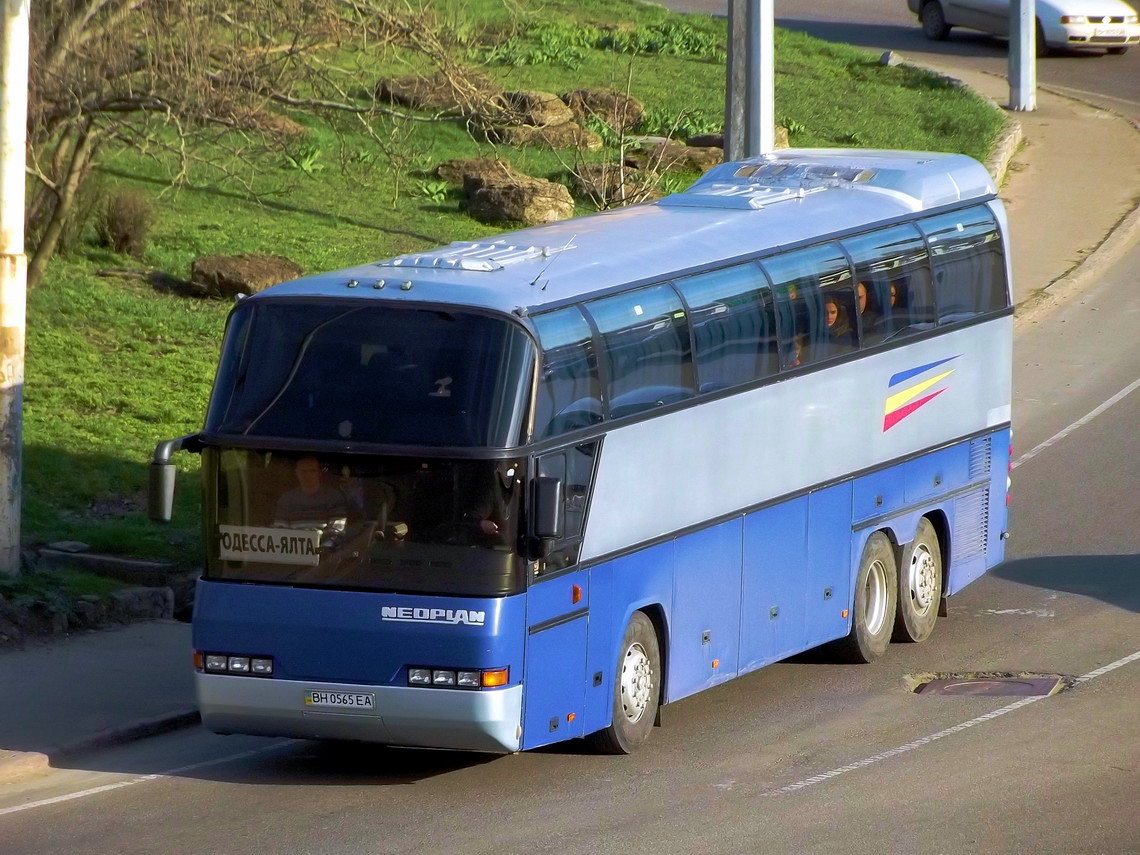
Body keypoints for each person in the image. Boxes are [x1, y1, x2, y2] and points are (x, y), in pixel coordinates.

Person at [273, 456, 350, 534]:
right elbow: (280, 531)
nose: (308, 476)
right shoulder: (286, 499)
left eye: (312, 471)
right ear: (296, 473)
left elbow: (337, 532)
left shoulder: (334, 498)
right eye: (303, 472)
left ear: (319, 473)